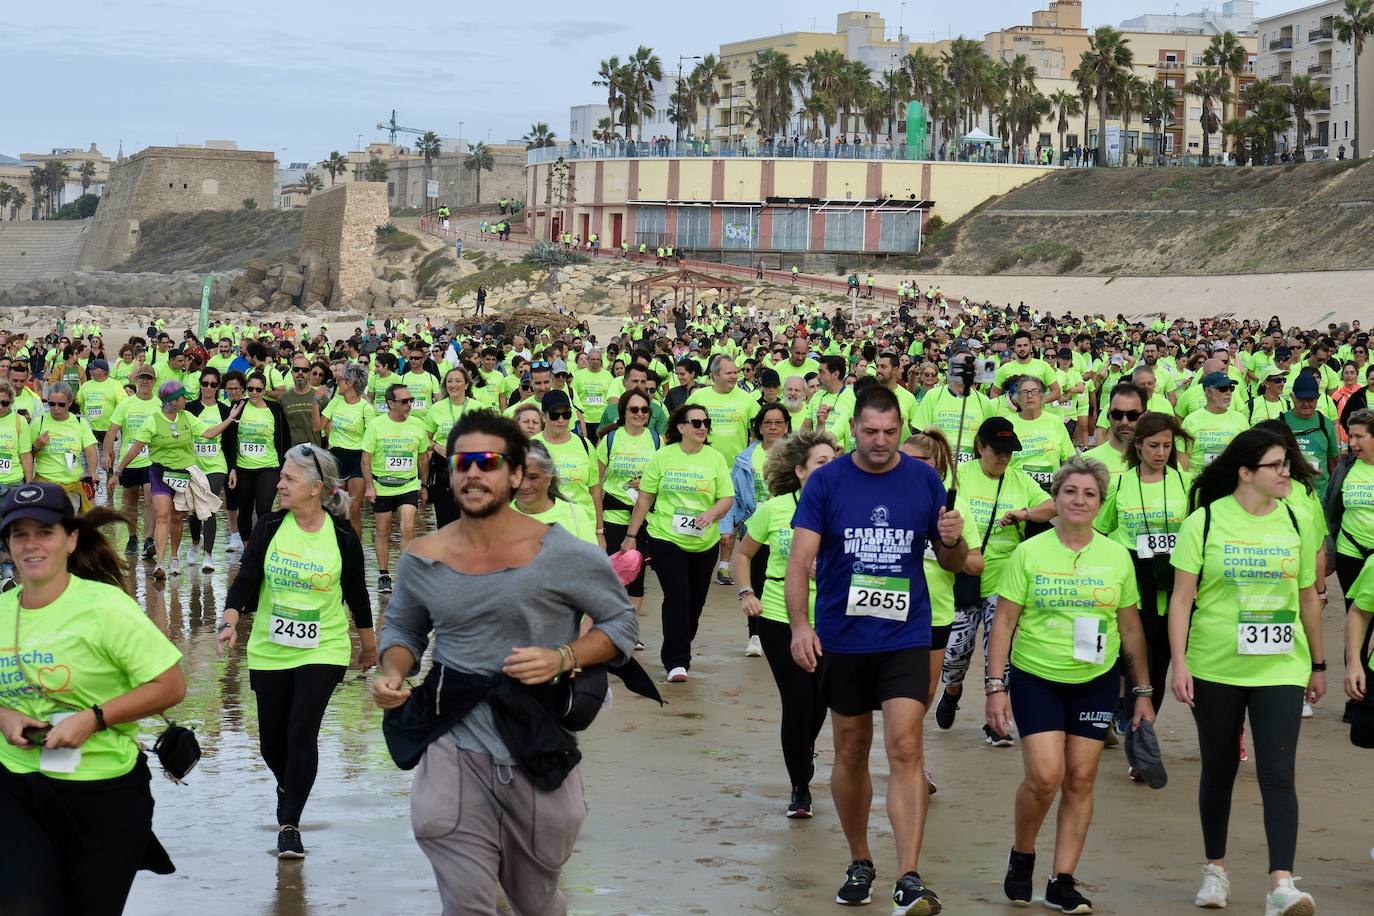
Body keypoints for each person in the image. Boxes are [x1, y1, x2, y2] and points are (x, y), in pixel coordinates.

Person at [371, 411, 639, 916]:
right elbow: (404, 630)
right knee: (467, 905)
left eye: (488, 462)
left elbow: (621, 626)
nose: (473, 473)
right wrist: (393, 671)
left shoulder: (564, 553)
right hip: (452, 742)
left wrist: (564, 655)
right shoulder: (423, 556)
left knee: (536, 903)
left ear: (516, 475)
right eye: (462, 463)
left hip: (536, 742)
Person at [786, 385, 967, 915]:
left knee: (907, 747)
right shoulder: (827, 481)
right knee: (850, 748)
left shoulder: (925, 479)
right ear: (854, 431)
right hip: (843, 637)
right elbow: (800, 562)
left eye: (890, 432)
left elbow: (951, 564)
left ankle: (910, 875)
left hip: (905, 636)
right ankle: (860, 860)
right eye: (871, 432)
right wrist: (800, 627)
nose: (881, 441)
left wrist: (952, 540)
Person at [0, 483, 184, 914]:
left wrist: (95, 718)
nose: (31, 545)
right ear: (7, 546)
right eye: (19, 534)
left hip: (104, 789)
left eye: (44, 532)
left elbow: (170, 686)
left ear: (71, 538)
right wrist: (3, 715)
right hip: (16, 787)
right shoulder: (2, 609)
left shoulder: (106, 607)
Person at [1168, 428, 1325, 915]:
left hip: (1280, 665)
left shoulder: (1298, 521)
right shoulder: (1206, 521)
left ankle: (1282, 883)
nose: (1286, 473)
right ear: (1245, 472)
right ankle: (1215, 870)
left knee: (1278, 772)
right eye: (1276, 466)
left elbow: (1307, 599)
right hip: (1215, 663)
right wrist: (1179, 661)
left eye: (1287, 465)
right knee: (1219, 768)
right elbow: (1182, 597)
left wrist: (1318, 664)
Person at [986, 456, 1153, 913]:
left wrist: (1141, 692)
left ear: (1100, 503)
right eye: (1070, 492)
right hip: (1036, 676)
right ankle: (1022, 854)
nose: (1079, 501)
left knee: (1081, 778)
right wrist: (995, 686)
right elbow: (1003, 622)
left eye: (1089, 494)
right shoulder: (1030, 552)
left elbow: (1132, 628)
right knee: (1044, 776)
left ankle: (1062, 879)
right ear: (1055, 499)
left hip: (1096, 680)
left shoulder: (1116, 555)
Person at [216, 445, 374, 859]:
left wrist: (369, 644)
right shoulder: (268, 526)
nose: (280, 483)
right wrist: (230, 620)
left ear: (316, 488)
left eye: (288, 479)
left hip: (324, 647)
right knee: (272, 741)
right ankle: (289, 784)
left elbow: (357, 592)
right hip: (270, 646)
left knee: (301, 729)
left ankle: (290, 823)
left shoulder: (341, 535)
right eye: (282, 477)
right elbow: (245, 581)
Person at [733, 429, 838, 817]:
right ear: (800, 471)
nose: (830, 469)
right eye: (820, 462)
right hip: (779, 616)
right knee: (797, 701)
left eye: (834, 462)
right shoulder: (775, 509)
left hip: (831, 619)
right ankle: (800, 787)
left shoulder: (844, 508)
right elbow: (742, 555)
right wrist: (747, 593)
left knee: (819, 702)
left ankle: (802, 747)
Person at [935, 417, 1054, 744]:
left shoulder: (1020, 480)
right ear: (980, 448)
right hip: (966, 573)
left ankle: (996, 722)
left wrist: (1025, 514)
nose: (1003, 458)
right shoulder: (960, 477)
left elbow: (1053, 505)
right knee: (956, 652)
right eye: (997, 451)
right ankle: (953, 688)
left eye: (1009, 452)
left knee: (997, 653)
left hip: (1005, 579)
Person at [623, 404, 733, 681]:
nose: (702, 427)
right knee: (677, 596)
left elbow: (727, 498)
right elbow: (645, 498)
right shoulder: (662, 457)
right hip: (665, 536)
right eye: (696, 423)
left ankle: (679, 642)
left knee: (695, 602)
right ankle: (676, 661)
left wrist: (711, 513)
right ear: (681, 427)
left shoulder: (715, 458)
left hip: (704, 542)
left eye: (706, 422)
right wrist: (632, 536)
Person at [899, 428, 982, 794]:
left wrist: (950, 544)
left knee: (924, 695)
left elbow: (975, 564)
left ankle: (912, 759)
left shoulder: (954, 508)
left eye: (911, 460)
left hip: (935, 612)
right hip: (890, 608)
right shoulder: (886, 498)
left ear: (934, 466)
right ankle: (909, 763)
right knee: (894, 694)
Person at [1096, 412, 1192, 727]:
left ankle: (1143, 729)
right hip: (1132, 585)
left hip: (1171, 584)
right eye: (1153, 446)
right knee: (1133, 661)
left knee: (1159, 664)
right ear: (1137, 446)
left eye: (1167, 445)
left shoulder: (1186, 483)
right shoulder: (1121, 484)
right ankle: (1120, 713)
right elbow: (1100, 531)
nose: (1161, 453)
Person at [114, 380, 241, 578]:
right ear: (172, 400)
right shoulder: (153, 420)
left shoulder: (187, 417)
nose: (185, 399)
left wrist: (230, 418)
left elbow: (209, 433)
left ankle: (174, 557)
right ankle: (161, 563)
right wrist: (118, 472)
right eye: (182, 396)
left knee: (177, 517)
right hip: (159, 473)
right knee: (163, 515)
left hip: (183, 474)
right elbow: (136, 448)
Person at [724, 403, 792, 658]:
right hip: (755, 526)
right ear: (759, 427)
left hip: (788, 526)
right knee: (758, 581)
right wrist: (727, 526)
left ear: (786, 426)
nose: (772, 427)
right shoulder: (745, 457)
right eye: (767, 422)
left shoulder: (796, 455)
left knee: (786, 579)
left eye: (778, 422)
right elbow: (733, 495)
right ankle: (755, 634)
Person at [594, 388, 660, 616]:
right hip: (614, 516)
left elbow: (663, 477)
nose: (639, 414)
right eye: (634, 409)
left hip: (643, 518)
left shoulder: (656, 440)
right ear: (624, 412)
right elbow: (595, 482)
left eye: (644, 409)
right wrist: (598, 526)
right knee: (613, 574)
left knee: (637, 575)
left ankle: (631, 631)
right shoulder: (610, 439)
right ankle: (611, 628)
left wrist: (647, 482)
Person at [362, 383, 430, 594]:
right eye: (404, 401)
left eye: (410, 400)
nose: (409, 404)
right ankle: (383, 573)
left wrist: (424, 485)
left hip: (408, 484)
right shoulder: (376, 425)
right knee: (383, 530)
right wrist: (370, 487)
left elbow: (423, 457)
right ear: (390, 403)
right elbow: (366, 459)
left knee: (408, 527)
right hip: (382, 485)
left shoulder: (418, 424)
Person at [232, 372, 290, 547]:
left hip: (269, 466)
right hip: (243, 467)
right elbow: (230, 438)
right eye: (250, 389)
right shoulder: (238, 407)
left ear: (265, 390)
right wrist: (232, 467)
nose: (254, 393)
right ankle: (247, 548)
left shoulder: (275, 409)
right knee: (245, 510)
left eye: (258, 389)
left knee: (264, 509)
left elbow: (284, 438)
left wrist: (284, 467)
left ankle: (263, 546)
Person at [184, 367, 233, 573]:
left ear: (218, 387)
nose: (209, 388)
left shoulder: (224, 410)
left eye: (213, 384)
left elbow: (230, 442)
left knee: (210, 506)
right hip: (193, 465)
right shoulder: (190, 408)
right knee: (194, 510)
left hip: (216, 465)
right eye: (205, 384)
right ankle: (196, 541)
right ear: (200, 385)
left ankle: (209, 556)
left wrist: (232, 469)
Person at [423, 366, 483, 528]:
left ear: (466, 385)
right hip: (442, 467)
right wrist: (435, 446)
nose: (453, 385)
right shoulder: (436, 408)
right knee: (444, 521)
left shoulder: (479, 407)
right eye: (449, 381)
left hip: (471, 466)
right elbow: (424, 440)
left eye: (458, 381)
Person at [532, 390, 600, 533]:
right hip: (545, 529)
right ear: (543, 416)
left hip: (582, 527)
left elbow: (594, 490)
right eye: (555, 415)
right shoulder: (531, 446)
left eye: (566, 414)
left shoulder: (585, 445)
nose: (561, 420)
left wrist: (599, 531)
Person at [1326, 408, 1374, 601]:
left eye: (1359, 436)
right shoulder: (1345, 467)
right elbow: (1328, 502)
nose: (1352, 443)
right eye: (1350, 436)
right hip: (1349, 549)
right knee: (1355, 611)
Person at [29, 381, 98, 513]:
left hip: (71, 485)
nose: (55, 408)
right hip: (45, 483)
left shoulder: (80, 423)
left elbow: (90, 450)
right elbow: (26, 456)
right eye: (51, 404)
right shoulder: (39, 422)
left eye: (61, 404)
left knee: (69, 527)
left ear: (70, 402)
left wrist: (93, 471)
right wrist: (36, 446)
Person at [320, 363, 372, 537]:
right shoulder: (336, 402)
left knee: (354, 508)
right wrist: (315, 401)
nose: (337, 382)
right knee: (336, 507)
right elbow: (318, 426)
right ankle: (337, 544)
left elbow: (372, 440)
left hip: (358, 459)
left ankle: (355, 550)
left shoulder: (366, 408)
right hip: (337, 458)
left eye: (341, 380)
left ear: (350, 382)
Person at [513, 441, 596, 543]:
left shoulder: (575, 515)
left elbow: (591, 558)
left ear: (549, 478)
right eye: (518, 477)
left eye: (533, 477)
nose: (524, 486)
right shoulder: (496, 517)